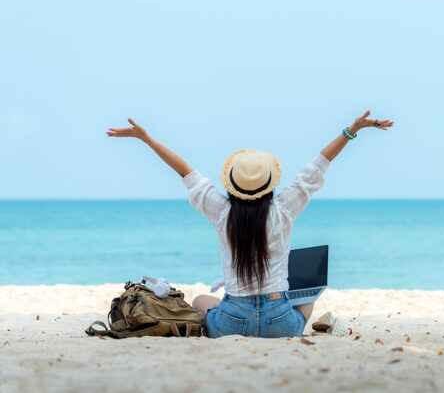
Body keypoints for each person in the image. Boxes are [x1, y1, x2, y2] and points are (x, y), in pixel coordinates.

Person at [107, 110, 394, 338]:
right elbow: (318, 166)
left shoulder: (221, 211)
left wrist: (146, 139)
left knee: (200, 302)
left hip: (231, 322)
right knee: (309, 295)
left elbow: (185, 171)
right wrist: (352, 130)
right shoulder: (284, 209)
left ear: (232, 184)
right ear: (269, 184)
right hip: (280, 323)